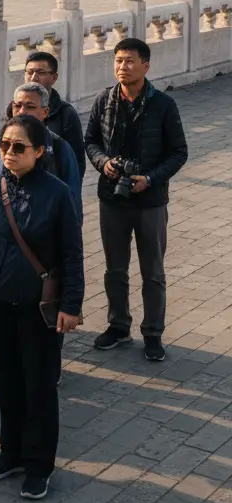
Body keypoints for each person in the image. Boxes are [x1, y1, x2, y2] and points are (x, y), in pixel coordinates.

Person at [0, 115, 83, 500]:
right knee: (6, 383)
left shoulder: (57, 193)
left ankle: (39, 465)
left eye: (19, 147)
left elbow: (72, 253)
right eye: (4, 146)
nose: (10, 153)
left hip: (40, 306)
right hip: (0, 300)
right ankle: (10, 452)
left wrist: (71, 305)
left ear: (38, 151)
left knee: (39, 386)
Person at [84, 38, 188, 362]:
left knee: (152, 272)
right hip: (112, 198)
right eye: (117, 61)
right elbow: (90, 142)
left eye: (129, 61)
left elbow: (179, 152)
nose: (122, 67)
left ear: (146, 65)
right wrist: (104, 163)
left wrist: (152, 178)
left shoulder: (164, 105)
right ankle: (118, 326)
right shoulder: (104, 99)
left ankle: (153, 333)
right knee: (115, 269)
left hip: (151, 200)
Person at [0, 83, 82, 222]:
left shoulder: (58, 147)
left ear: (45, 112)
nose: (21, 112)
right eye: (17, 106)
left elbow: (73, 203)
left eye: (30, 107)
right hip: (1, 232)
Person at [21, 52, 85, 177]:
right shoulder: (15, 109)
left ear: (54, 78)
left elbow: (76, 160)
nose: (33, 78)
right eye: (29, 72)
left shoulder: (66, 114)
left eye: (41, 72)